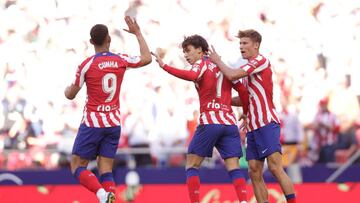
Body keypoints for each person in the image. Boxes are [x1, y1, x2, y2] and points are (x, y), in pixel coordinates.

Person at [64, 16, 151, 203]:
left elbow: (71, 94)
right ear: (109, 39)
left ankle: (102, 195)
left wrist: (66, 90)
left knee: (77, 166)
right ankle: (109, 196)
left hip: (92, 123)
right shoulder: (120, 60)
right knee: (106, 170)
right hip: (113, 123)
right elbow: (146, 58)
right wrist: (137, 33)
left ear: (91, 42)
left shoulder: (86, 65)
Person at [152, 35, 248, 203]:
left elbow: (192, 75)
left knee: (191, 165)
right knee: (234, 167)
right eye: (184, 52)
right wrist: (245, 112)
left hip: (210, 122)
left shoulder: (201, 63)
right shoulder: (224, 66)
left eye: (188, 51)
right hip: (229, 123)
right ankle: (244, 200)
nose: (186, 55)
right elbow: (243, 90)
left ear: (200, 50)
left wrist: (164, 66)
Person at [209, 29, 296, 203]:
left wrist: (218, 61)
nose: (241, 47)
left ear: (256, 45)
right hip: (253, 126)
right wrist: (220, 100)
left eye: (245, 43)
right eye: (240, 43)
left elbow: (233, 74)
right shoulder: (248, 71)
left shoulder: (260, 61)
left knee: (275, 167)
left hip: (266, 122)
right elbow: (244, 98)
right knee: (254, 170)